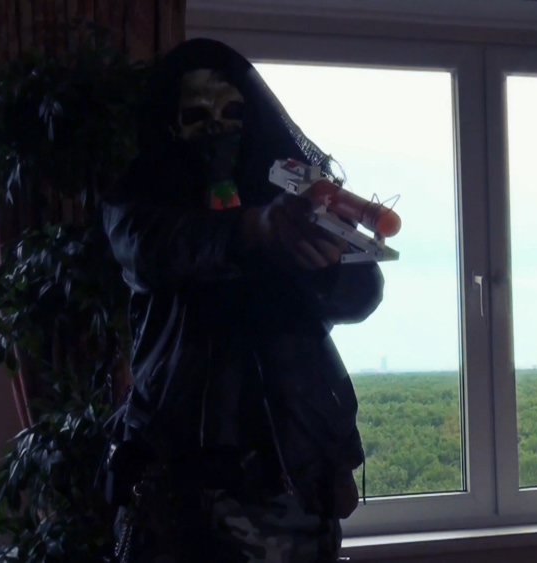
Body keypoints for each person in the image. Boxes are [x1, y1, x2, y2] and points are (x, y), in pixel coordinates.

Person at [100, 37, 383, 562]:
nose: (217, 128)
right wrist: (254, 230)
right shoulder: (140, 196)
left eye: (232, 112)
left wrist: (325, 253)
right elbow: (153, 248)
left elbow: (361, 294)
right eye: (197, 115)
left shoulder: (291, 191)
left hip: (291, 468)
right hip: (179, 470)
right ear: (170, 123)